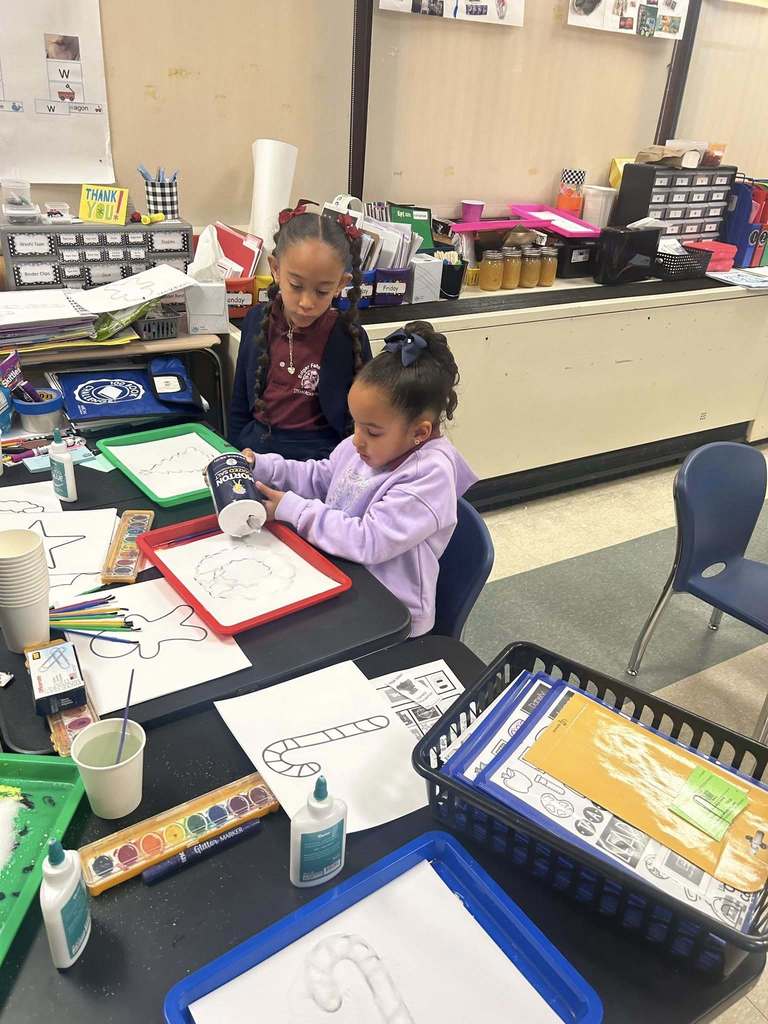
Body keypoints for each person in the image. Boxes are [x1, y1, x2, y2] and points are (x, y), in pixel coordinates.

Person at [245, 321, 478, 636]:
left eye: (372, 431)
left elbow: (368, 541)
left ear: (419, 432)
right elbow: (322, 477)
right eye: (356, 423)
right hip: (344, 576)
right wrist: (262, 466)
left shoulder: (428, 476)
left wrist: (293, 509)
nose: (357, 439)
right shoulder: (370, 447)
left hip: (391, 615)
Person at [229, 204, 372, 461]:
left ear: (340, 284)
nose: (306, 302)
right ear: (275, 269)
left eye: (321, 291)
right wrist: (234, 455)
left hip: (320, 462)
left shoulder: (350, 337)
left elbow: (364, 418)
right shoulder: (256, 321)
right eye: (296, 286)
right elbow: (240, 403)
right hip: (258, 453)